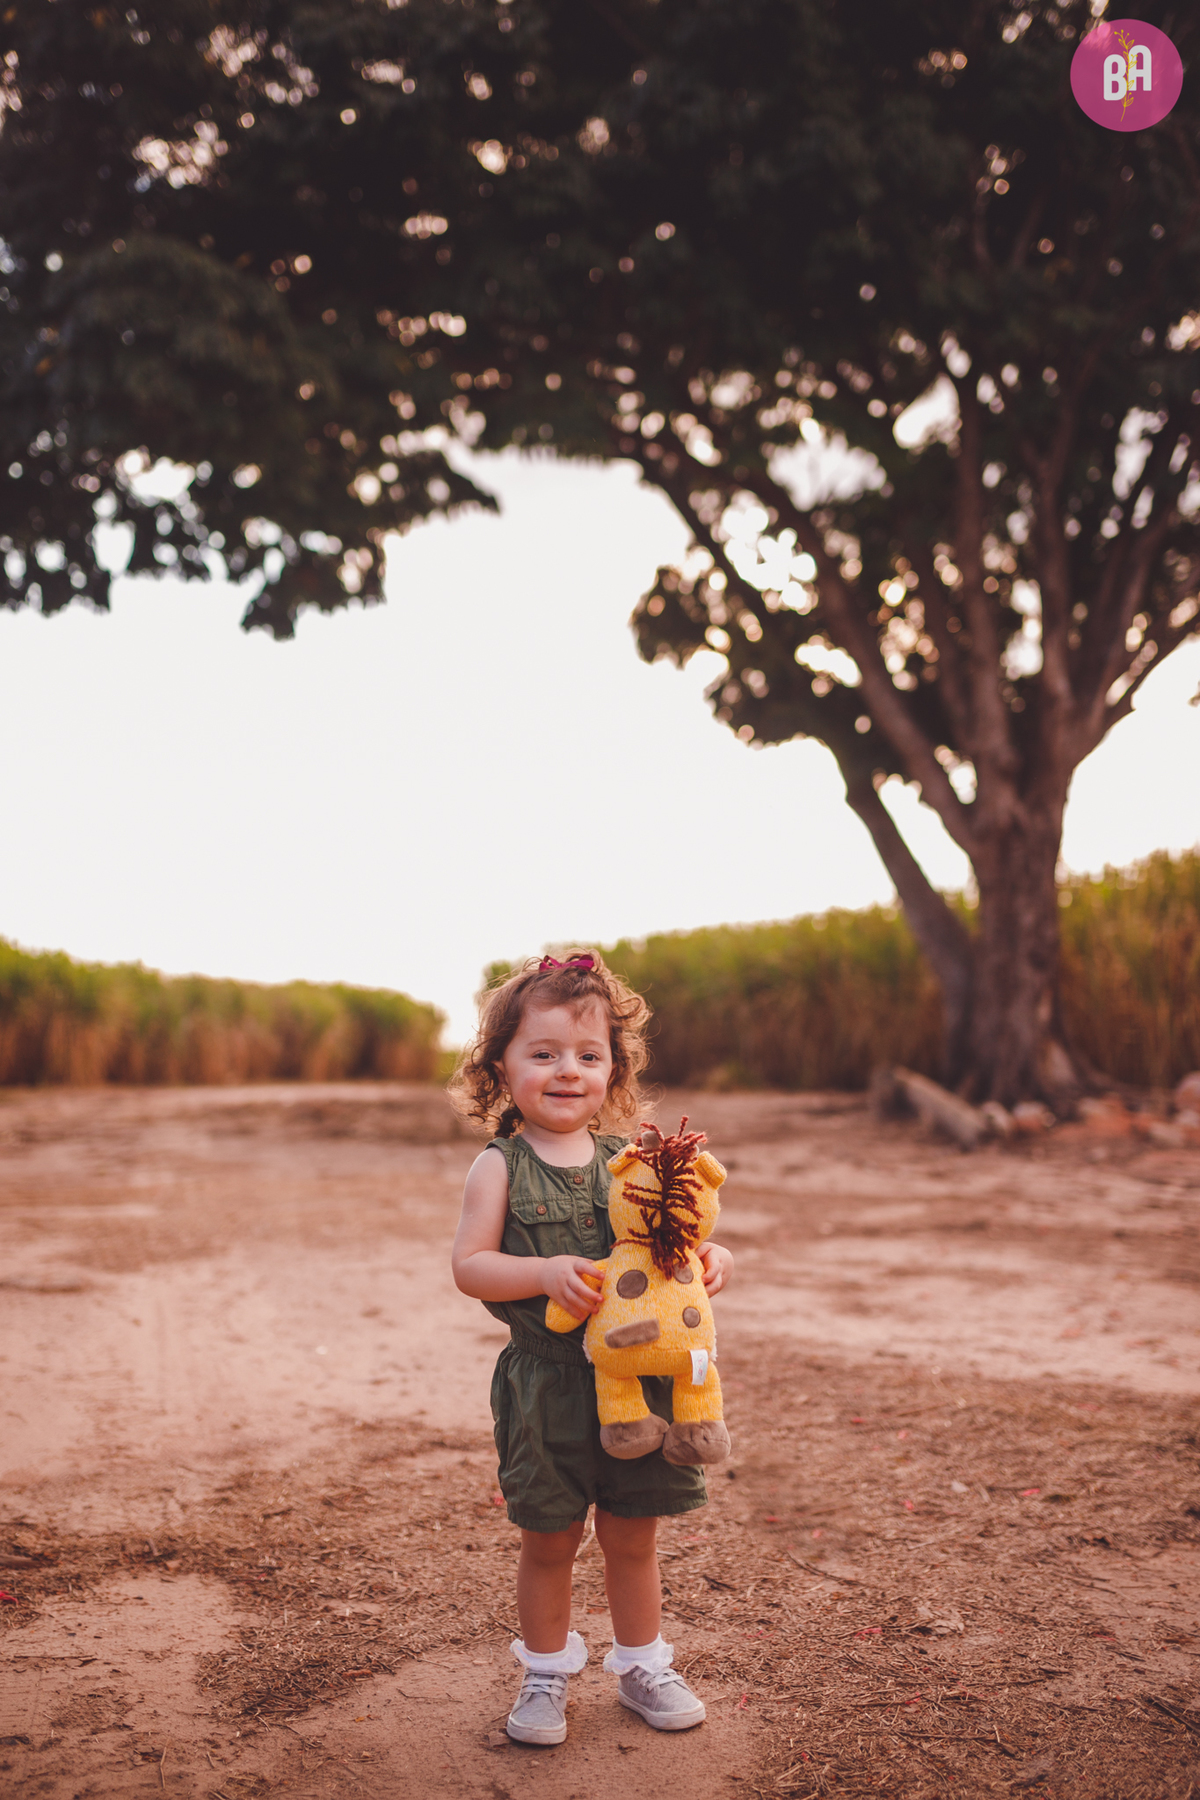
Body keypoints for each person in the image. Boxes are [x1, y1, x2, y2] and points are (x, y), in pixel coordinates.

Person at [450, 951, 734, 1746]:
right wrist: (539, 1269)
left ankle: (643, 1664)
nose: (566, 1071)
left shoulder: (632, 1164)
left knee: (632, 1535)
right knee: (549, 1539)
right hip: (546, 1387)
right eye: (542, 1054)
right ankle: (544, 1675)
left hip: (638, 1388)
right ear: (501, 1068)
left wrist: (713, 1262)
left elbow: (680, 1241)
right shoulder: (498, 1167)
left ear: (614, 1068)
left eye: (588, 1054)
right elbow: (469, 1266)